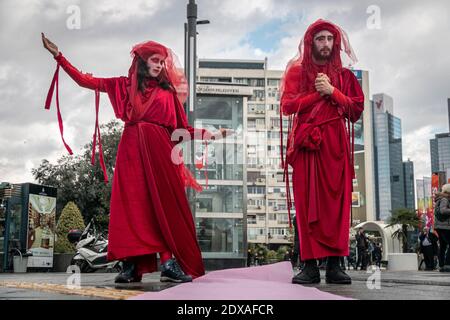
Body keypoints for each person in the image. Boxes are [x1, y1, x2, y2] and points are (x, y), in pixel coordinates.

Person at [42, 34, 232, 283]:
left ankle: (168, 263)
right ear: (143, 62)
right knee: (131, 207)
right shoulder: (122, 85)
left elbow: (179, 130)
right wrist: (59, 56)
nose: (160, 65)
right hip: (131, 152)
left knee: (160, 207)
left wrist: (212, 134)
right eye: (155, 60)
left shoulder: (168, 93)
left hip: (160, 155)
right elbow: (86, 81)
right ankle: (131, 265)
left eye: (163, 62)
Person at [280, 19, 364, 285]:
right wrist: (319, 95)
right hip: (307, 144)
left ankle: (336, 265)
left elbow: (356, 110)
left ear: (335, 43)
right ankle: (309, 265)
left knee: (337, 203)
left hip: (335, 144)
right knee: (306, 203)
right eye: (320, 39)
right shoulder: (296, 72)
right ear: (310, 42)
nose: (326, 44)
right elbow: (287, 106)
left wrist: (333, 91)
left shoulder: (345, 76)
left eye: (330, 39)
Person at [434, 184, 450, 272]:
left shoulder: (440, 198)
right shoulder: (445, 199)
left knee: (443, 246)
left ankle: (442, 265)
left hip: (439, 226)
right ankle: (447, 264)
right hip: (445, 226)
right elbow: (443, 210)